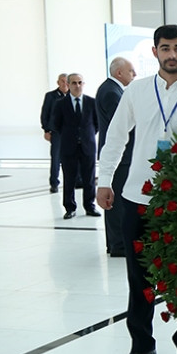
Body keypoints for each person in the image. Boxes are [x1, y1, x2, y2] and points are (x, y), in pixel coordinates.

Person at [97, 25, 177, 354]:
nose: (172, 54)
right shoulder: (135, 91)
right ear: (154, 52)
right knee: (139, 276)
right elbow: (115, 137)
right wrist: (105, 180)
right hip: (137, 197)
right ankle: (142, 346)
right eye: (166, 48)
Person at [95, 57, 136, 256]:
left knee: (116, 200)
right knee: (116, 201)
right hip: (119, 155)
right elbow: (119, 127)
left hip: (120, 155)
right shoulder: (112, 92)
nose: (134, 74)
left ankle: (115, 243)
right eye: (131, 71)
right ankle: (118, 244)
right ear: (119, 73)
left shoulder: (111, 89)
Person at [50, 73, 100, 219]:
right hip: (69, 147)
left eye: (80, 83)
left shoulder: (91, 102)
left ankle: (90, 206)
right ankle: (70, 207)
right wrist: (69, 136)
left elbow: (96, 124)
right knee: (69, 178)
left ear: (83, 84)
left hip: (87, 146)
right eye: (74, 83)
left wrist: (86, 136)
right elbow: (56, 124)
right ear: (68, 84)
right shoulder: (60, 103)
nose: (77, 86)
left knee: (89, 178)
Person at [40, 73, 69, 193]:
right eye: (62, 81)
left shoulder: (72, 96)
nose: (65, 84)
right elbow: (45, 114)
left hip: (70, 133)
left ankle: (77, 180)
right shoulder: (51, 96)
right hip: (57, 132)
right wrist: (46, 130)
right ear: (58, 82)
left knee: (73, 157)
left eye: (67, 81)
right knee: (56, 158)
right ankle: (54, 183)